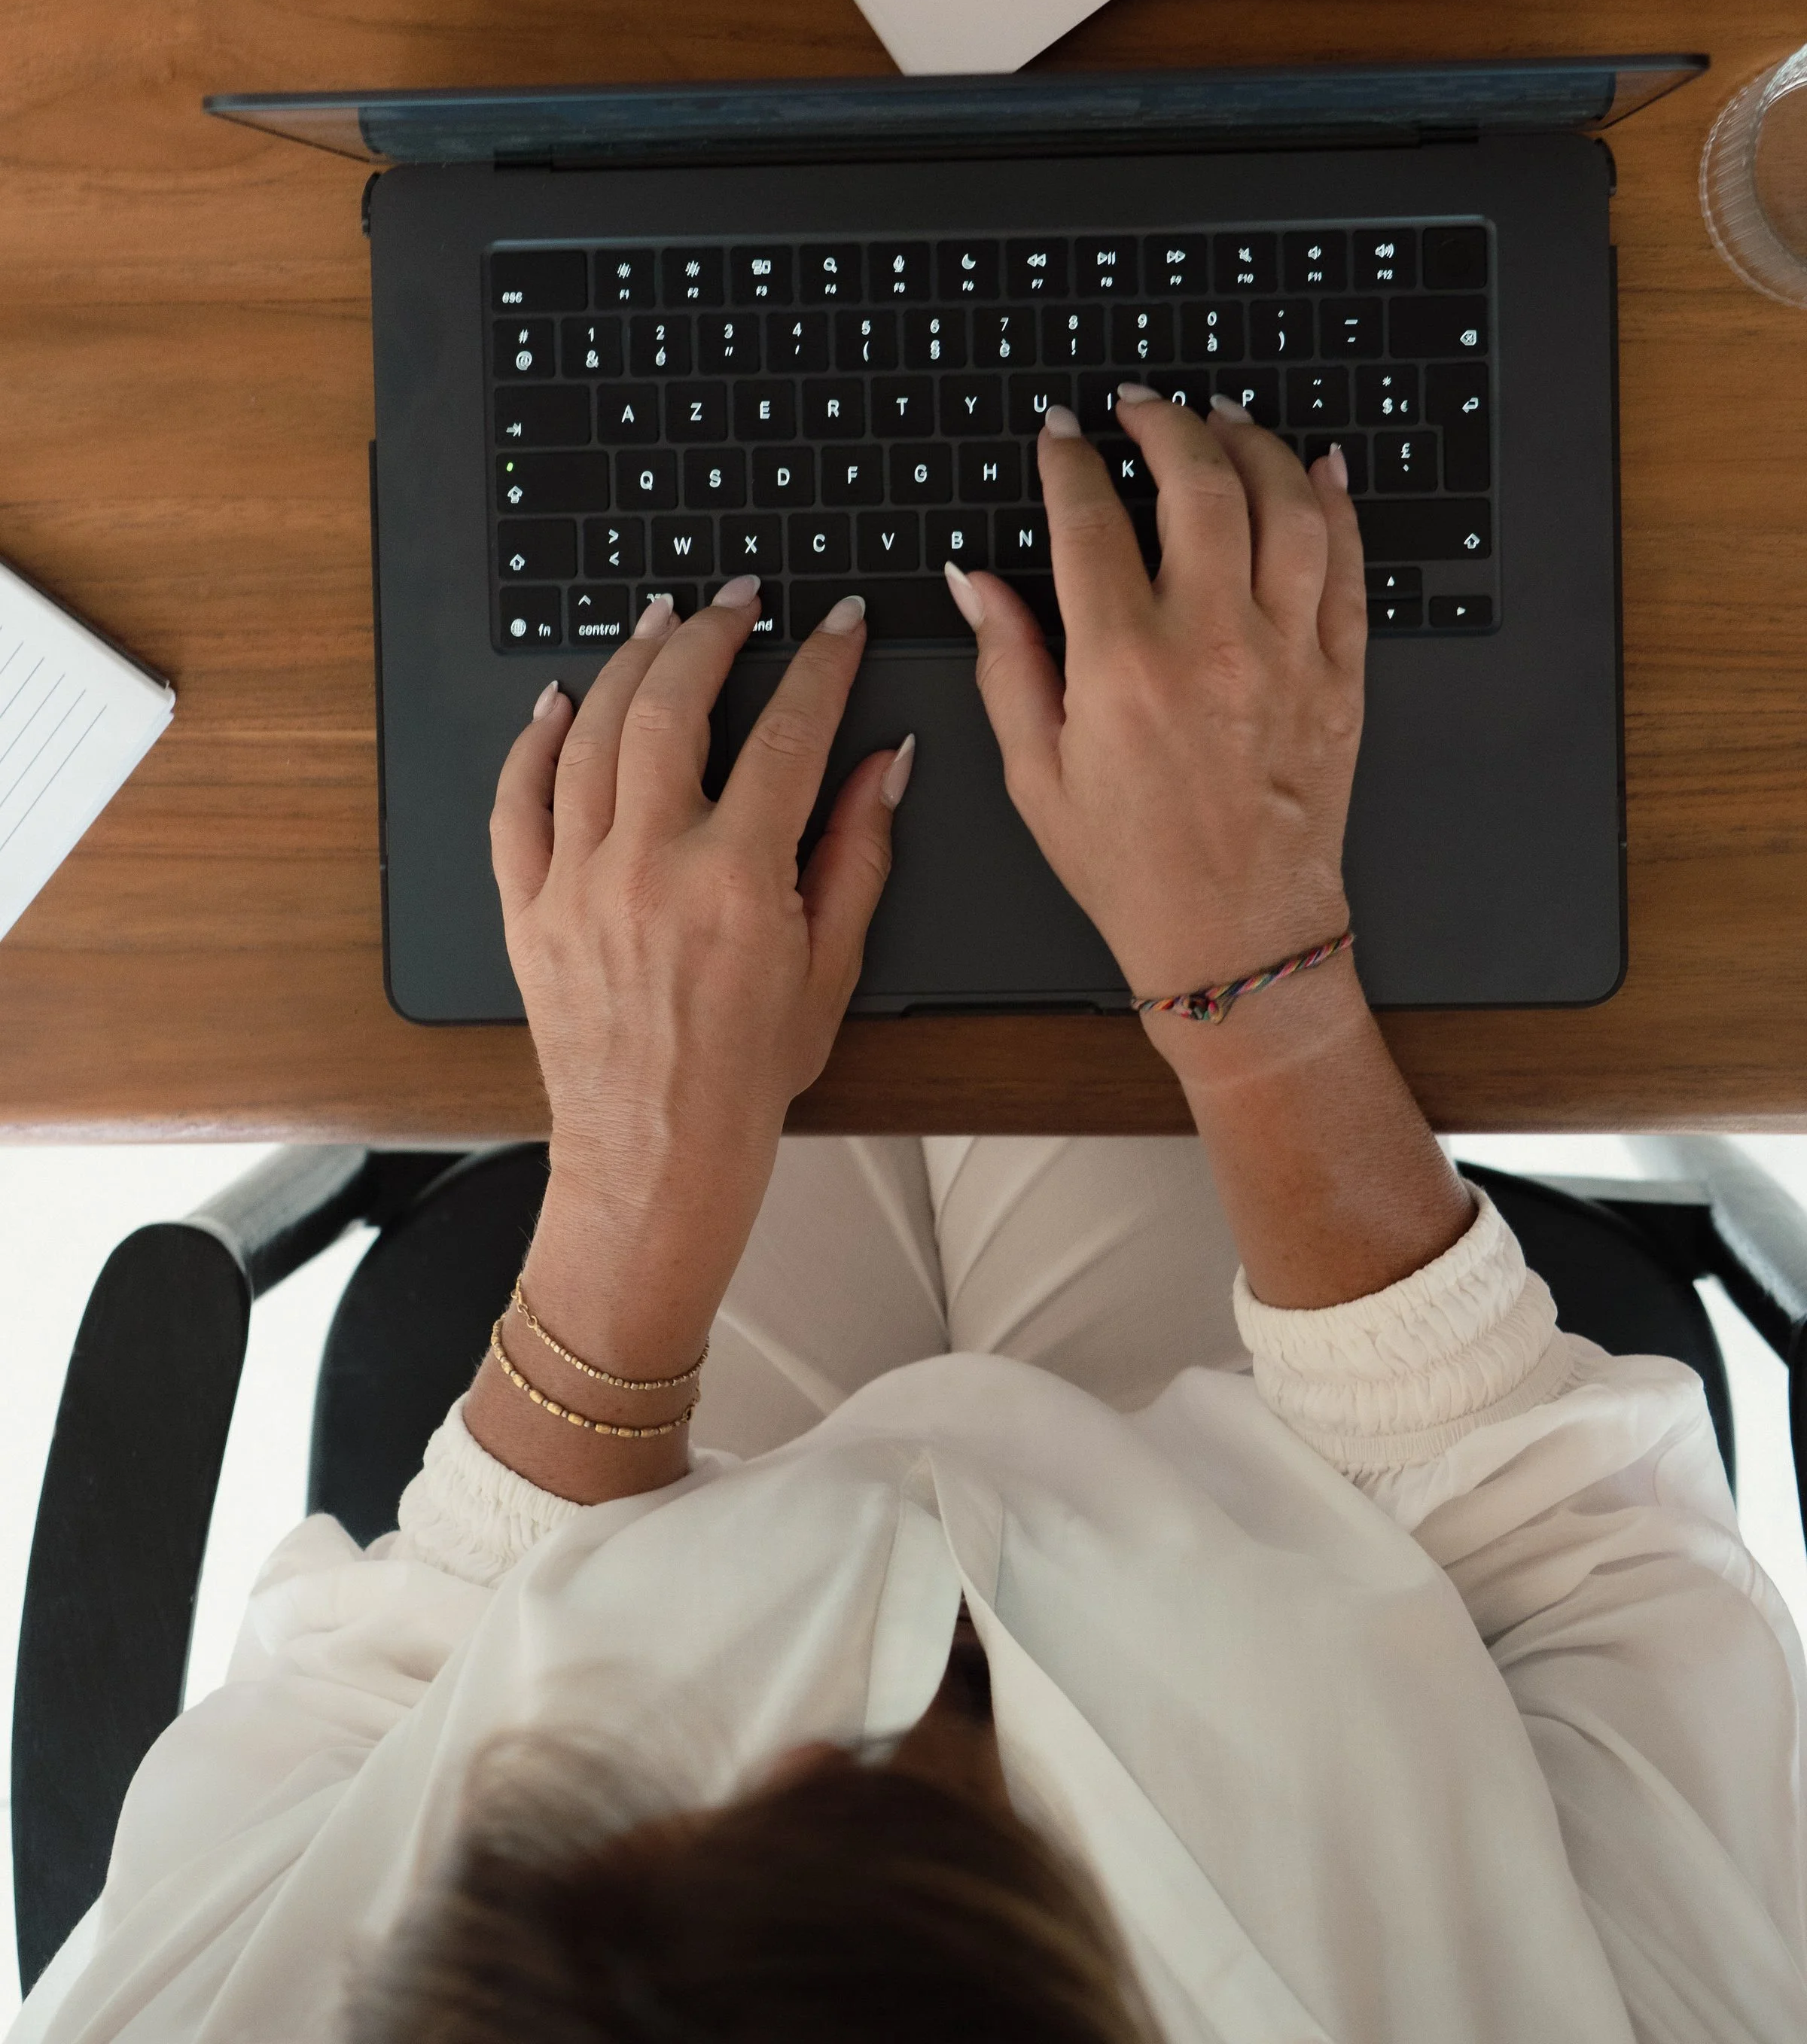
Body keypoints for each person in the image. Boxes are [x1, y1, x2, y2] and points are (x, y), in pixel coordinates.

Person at [13, 391, 1805, 2044]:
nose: (814, 1740)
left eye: (608, 1838)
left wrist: (644, 1185)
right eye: (899, 1792)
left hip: (643, 1505)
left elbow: (358, 1731)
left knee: (791, 876)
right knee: (1057, 843)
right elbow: (1584, 1570)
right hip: (1307, 1539)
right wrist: (1256, 984)